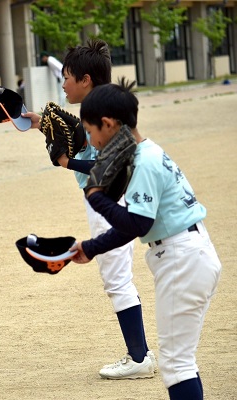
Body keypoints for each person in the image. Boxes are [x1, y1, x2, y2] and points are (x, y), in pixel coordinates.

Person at [71, 78, 222, 400]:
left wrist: (96, 196)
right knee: (178, 362)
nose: (91, 140)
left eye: (91, 131)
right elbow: (132, 226)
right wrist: (91, 247)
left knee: (177, 364)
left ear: (109, 124)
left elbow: (137, 223)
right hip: (186, 253)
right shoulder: (146, 152)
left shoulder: (145, 162)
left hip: (182, 259)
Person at [24, 40, 156, 380]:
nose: (63, 84)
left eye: (67, 77)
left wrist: (67, 162)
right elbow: (82, 136)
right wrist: (42, 123)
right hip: (111, 201)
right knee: (118, 277)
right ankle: (140, 354)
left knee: (116, 279)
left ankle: (139, 358)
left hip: (111, 202)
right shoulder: (99, 109)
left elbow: (107, 163)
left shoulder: (103, 114)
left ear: (85, 80)